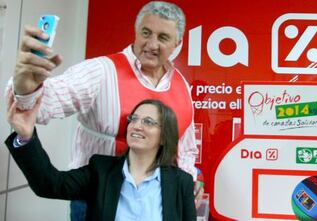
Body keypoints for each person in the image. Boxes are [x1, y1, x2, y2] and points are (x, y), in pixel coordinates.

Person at [9, 1, 204, 219]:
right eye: (146, 33)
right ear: (136, 32)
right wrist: (26, 88)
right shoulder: (101, 71)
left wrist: (188, 183)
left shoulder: (182, 85)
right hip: (94, 195)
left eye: (163, 37)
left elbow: (185, 148)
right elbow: (40, 106)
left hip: (157, 197)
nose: (151, 44)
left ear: (178, 42)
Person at [5, 95, 197, 221]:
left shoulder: (181, 182)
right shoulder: (101, 170)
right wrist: (25, 136)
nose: (137, 126)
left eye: (148, 122)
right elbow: (50, 184)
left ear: (164, 136)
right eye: (134, 119)